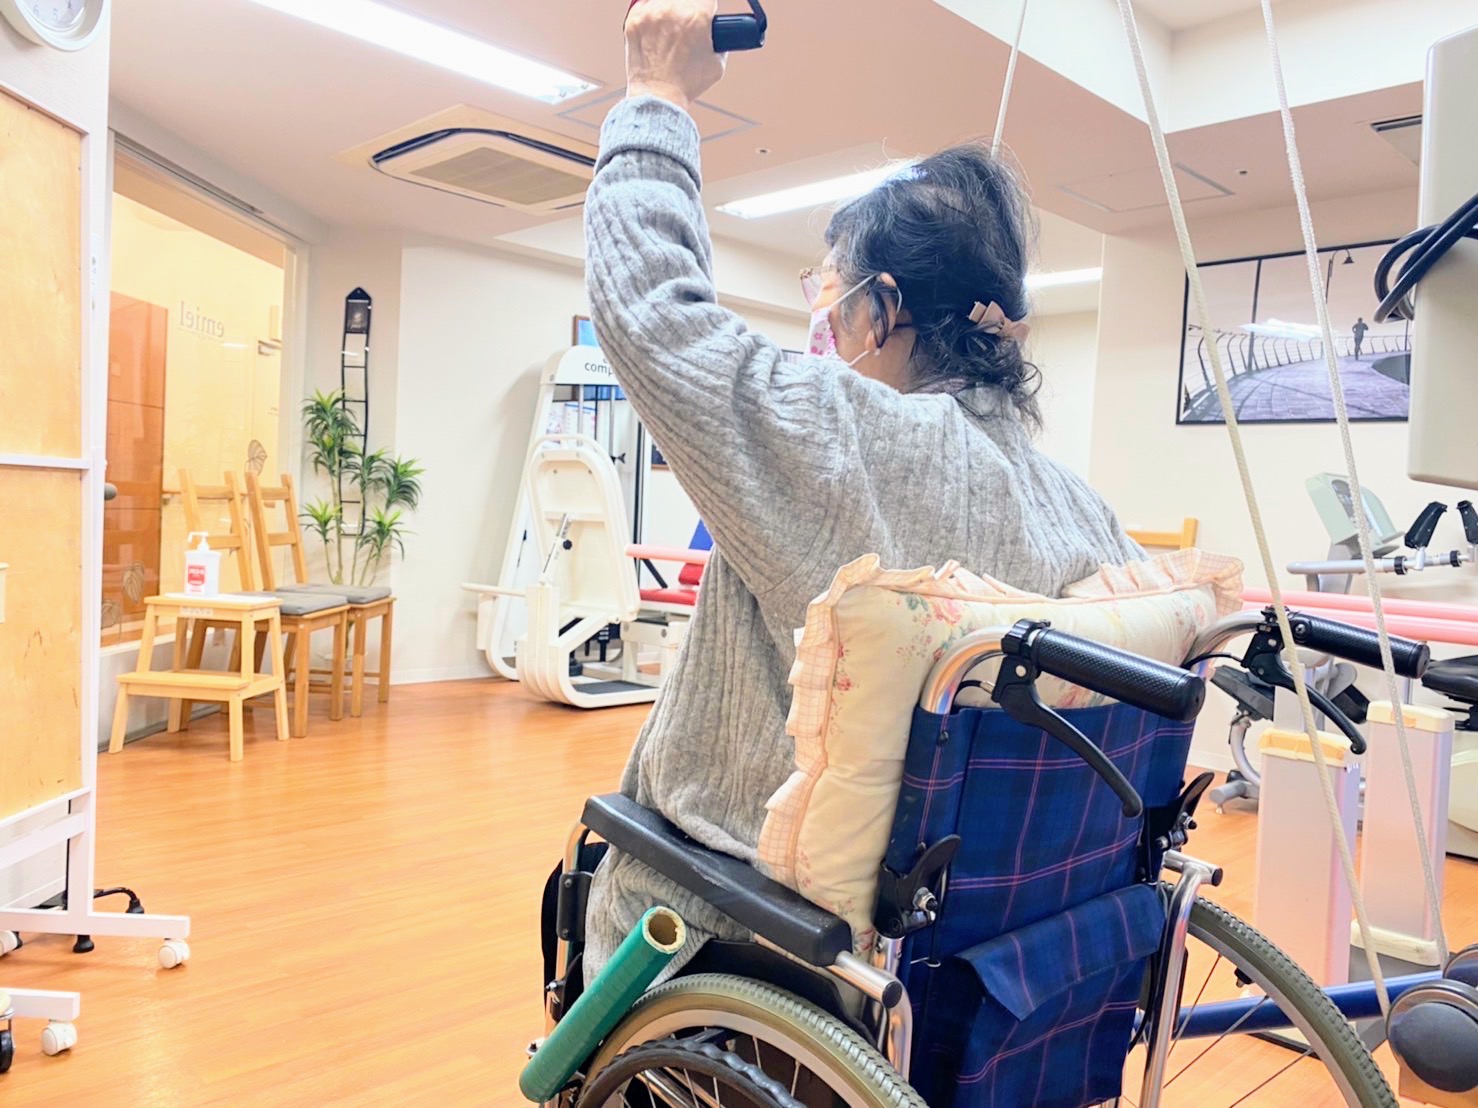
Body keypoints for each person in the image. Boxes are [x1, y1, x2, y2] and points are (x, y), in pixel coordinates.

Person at [579, 0, 1143, 981]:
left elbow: (651, 313)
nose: (826, 329)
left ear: (880, 310)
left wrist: (656, 93)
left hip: (736, 930)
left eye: (831, 300)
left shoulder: (837, 433)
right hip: (953, 953)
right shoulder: (1082, 515)